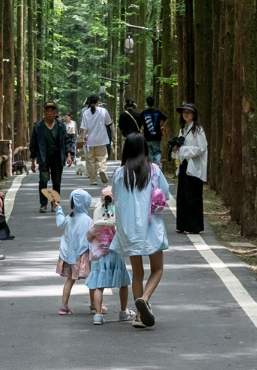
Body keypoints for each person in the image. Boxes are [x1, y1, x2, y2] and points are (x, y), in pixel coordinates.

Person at [111, 133, 169, 328]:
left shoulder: (119, 174)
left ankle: (138, 316)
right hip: (151, 227)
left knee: (137, 272)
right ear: (145, 149)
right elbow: (165, 194)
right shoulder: (154, 170)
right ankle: (144, 299)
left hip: (129, 230)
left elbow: (116, 201)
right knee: (158, 269)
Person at [85, 186, 135, 325]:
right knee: (123, 283)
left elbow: (89, 234)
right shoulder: (118, 213)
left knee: (99, 285)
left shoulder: (97, 214)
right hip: (116, 252)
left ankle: (98, 315)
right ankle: (123, 311)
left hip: (99, 255)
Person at [52, 189, 93, 315]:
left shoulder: (70, 217)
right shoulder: (87, 219)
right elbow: (91, 237)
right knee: (92, 279)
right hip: (83, 254)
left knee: (69, 280)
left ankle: (63, 307)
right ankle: (94, 306)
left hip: (70, 254)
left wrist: (58, 209)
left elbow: (60, 222)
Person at [171, 102, 208, 234]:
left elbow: (202, 147)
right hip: (184, 164)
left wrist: (184, 149)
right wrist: (175, 149)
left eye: (188, 112)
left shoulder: (198, 130)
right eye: (184, 112)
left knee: (193, 196)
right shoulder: (183, 129)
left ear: (193, 114)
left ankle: (193, 226)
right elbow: (180, 148)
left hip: (194, 165)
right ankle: (182, 224)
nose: (186, 114)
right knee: (182, 195)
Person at [30, 102, 73, 212]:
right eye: (47, 111)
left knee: (56, 182)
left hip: (57, 157)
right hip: (44, 157)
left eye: (52, 111)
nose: (50, 113)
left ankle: (55, 203)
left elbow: (66, 141)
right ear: (44, 112)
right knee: (43, 180)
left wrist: (69, 155)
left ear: (55, 112)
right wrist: (33, 161)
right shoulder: (38, 126)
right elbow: (33, 144)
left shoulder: (60, 125)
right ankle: (43, 204)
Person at [80, 93, 113, 186]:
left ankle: (93, 180)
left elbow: (84, 128)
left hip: (89, 141)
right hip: (101, 140)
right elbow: (108, 123)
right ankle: (102, 170)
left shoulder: (86, 112)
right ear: (98, 102)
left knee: (90, 160)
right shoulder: (103, 111)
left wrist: (83, 138)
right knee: (102, 158)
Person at [138, 95, 168, 165]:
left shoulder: (144, 113)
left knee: (149, 154)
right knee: (157, 152)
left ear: (147, 103)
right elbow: (166, 119)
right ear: (154, 102)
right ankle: (158, 168)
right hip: (157, 137)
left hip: (147, 137)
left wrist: (142, 127)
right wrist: (163, 127)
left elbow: (138, 120)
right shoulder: (158, 112)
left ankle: (151, 169)